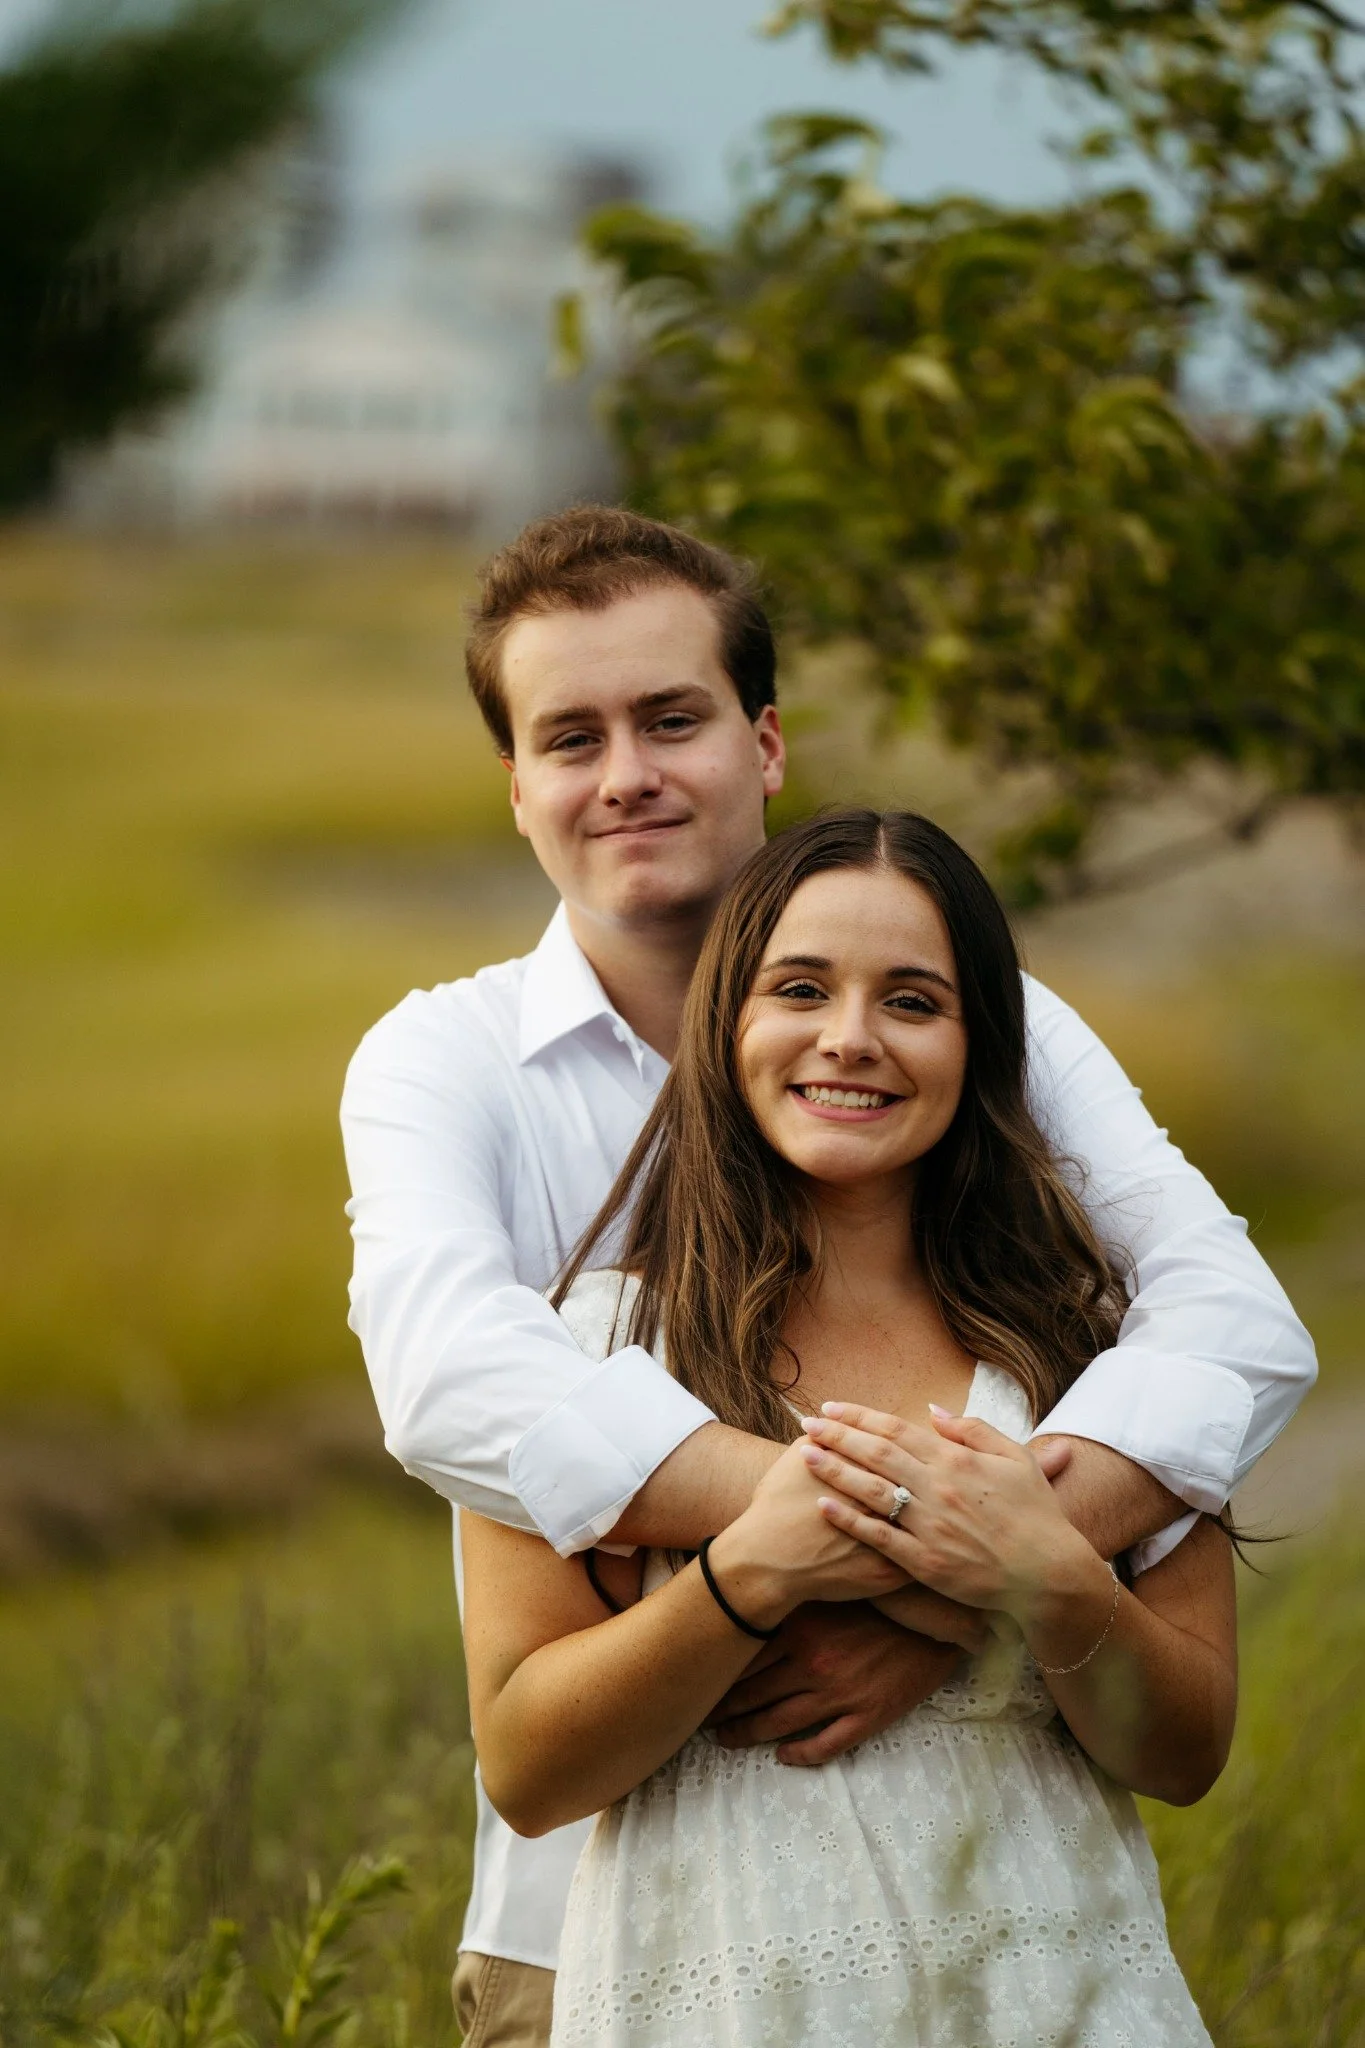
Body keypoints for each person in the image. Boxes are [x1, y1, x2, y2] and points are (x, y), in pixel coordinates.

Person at [340, 506, 1313, 2048]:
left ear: (765, 739)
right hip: (605, 1921)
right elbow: (453, 1379)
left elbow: (1229, 1322)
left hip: (1009, 1939)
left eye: (673, 718)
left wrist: (970, 1591)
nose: (628, 775)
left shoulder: (985, 1012)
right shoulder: (440, 1064)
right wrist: (832, 1538)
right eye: (569, 736)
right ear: (516, 781)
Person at [461, 809, 1233, 2044]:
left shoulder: (1092, 1352)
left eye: (914, 1000)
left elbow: (1188, 1750)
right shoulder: (585, 1350)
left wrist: (1049, 1586)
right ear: (729, 1023)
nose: (851, 1038)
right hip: (720, 1999)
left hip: (1059, 1997)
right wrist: (748, 1573)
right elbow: (529, 1769)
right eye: (801, 988)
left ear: (982, 1045)